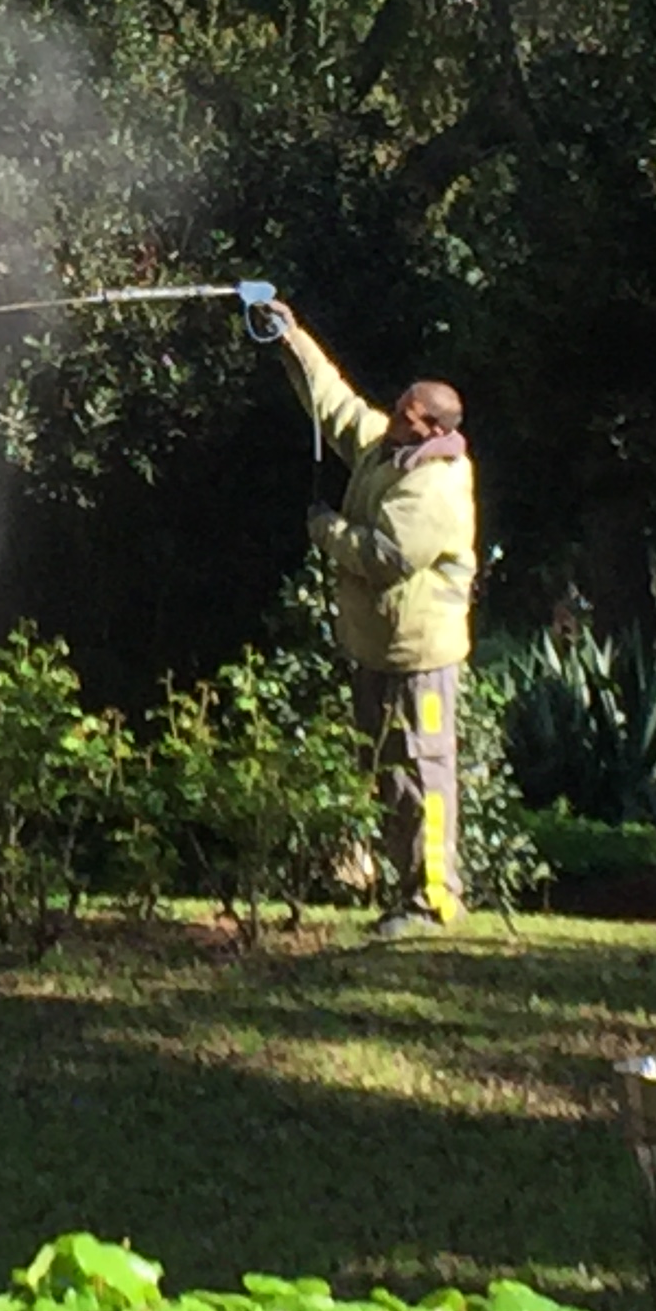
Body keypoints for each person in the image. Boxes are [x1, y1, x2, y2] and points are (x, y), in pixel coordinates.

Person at [265, 303, 478, 936]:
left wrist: (326, 531)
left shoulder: (436, 483)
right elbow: (336, 405)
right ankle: (409, 896)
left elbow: (385, 557)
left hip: (420, 657)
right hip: (381, 649)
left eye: (409, 413)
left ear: (434, 427)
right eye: (399, 406)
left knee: (425, 773)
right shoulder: (389, 451)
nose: (395, 417)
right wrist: (291, 339)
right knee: (391, 776)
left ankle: (434, 903)